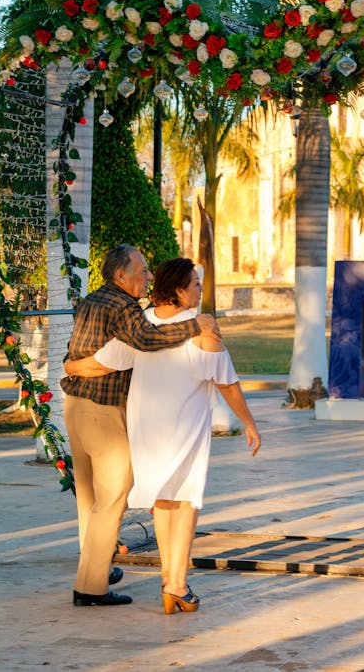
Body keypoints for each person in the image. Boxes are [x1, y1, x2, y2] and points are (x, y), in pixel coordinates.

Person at [65, 257, 261, 614]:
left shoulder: (143, 322)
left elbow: (104, 361)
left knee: (162, 502)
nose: (201, 290)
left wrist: (72, 367)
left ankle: (169, 584)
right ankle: (176, 584)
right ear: (181, 291)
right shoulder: (202, 332)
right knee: (185, 503)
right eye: (196, 285)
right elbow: (227, 383)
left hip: (145, 431)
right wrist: (249, 422)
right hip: (184, 428)